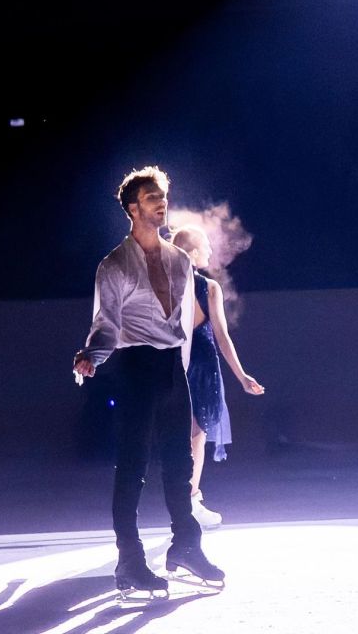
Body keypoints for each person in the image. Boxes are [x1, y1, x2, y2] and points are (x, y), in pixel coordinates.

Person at [73, 166, 224, 596]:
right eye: (152, 197)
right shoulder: (114, 265)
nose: (162, 203)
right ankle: (130, 561)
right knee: (133, 468)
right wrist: (92, 357)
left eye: (164, 196)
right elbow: (106, 323)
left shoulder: (179, 261)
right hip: (135, 367)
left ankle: (186, 547)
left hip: (171, 369)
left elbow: (184, 327)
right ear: (132, 207)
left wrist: (188, 371)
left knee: (179, 468)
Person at [171, 224, 264, 528]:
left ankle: (187, 499)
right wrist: (241, 376)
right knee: (196, 435)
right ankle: (190, 500)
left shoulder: (165, 284)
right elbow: (222, 337)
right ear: (193, 253)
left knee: (188, 434)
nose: (211, 250)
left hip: (173, 362)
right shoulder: (207, 288)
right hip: (198, 364)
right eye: (206, 246)